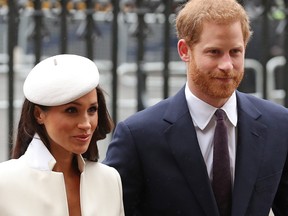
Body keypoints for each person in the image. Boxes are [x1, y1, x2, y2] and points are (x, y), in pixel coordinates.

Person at [103, 0, 288, 215]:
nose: (227, 65)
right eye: (214, 52)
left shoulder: (279, 125)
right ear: (184, 50)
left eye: (235, 52)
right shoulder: (138, 136)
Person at [0, 54, 124, 216]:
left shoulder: (109, 180)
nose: (86, 124)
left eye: (92, 109)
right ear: (39, 114)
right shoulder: (4, 183)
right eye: (71, 110)